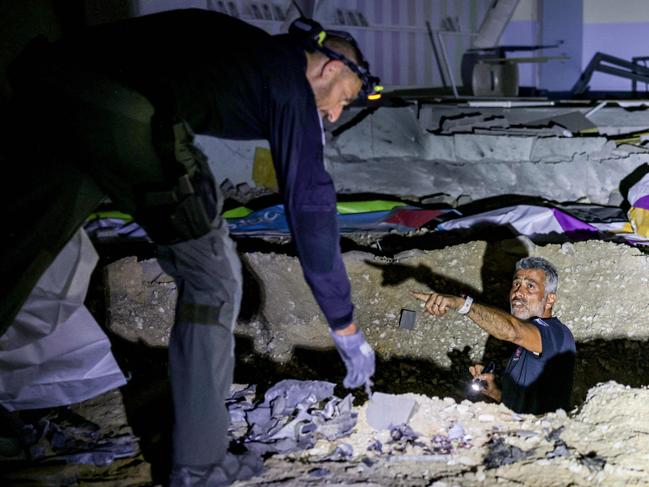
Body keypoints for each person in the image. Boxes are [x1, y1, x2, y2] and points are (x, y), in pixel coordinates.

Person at [0, 9, 377, 485]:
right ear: (329, 68)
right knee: (213, 276)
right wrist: (344, 326)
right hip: (123, 103)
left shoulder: (247, 51)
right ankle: (200, 464)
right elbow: (310, 203)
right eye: (343, 98)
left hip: (51, 86)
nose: (335, 114)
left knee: (18, 251)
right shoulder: (287, 81)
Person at [412, 256, 575, 415]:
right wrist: (495, 392)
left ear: (549, 300)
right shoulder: (528, 344)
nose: (518, 292)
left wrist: (462, 304)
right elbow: (525, 405)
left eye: (530, 286)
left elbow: (512, 331)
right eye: (516, 283)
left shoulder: (555, 332)